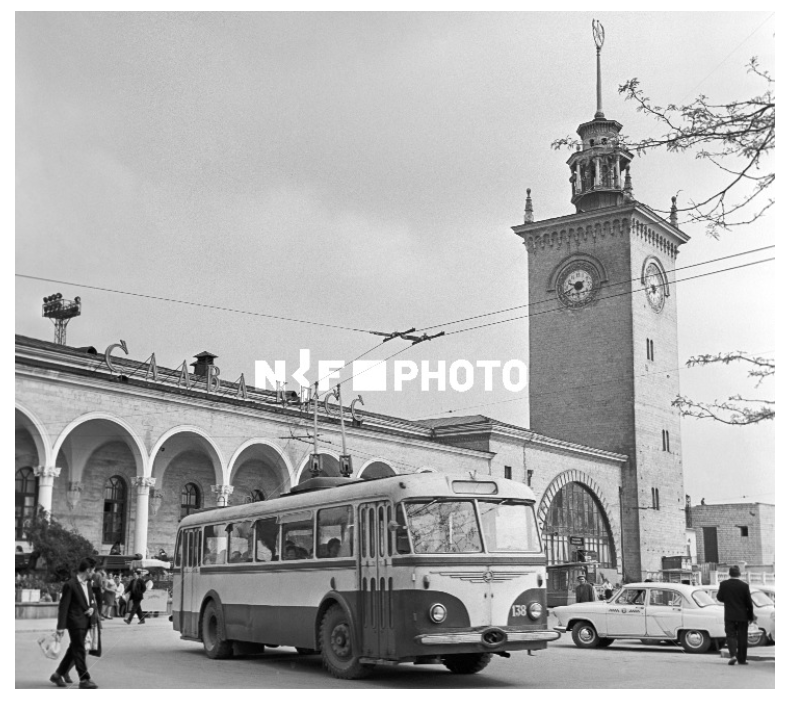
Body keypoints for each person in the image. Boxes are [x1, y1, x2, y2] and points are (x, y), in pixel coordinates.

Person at [50, 557, 99, 689]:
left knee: (73, 650)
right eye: (93, 570)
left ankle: (58, 674)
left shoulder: (88, 584)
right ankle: (84, 679)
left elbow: (92, 601)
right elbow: (63, 607)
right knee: (79, 650)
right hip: (75, 623)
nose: (94, 573)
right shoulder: (70, 585)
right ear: (88, 570)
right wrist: (60, 628)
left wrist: (91, 608)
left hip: (85, 622)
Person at [717, 565, 755, 666]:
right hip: (742, 616)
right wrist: (751, 616)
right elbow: (749, 603)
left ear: (729, 573)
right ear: (739, 574)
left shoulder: (724, 584)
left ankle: (733, 655)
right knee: (742, 637)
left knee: (731, 635)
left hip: (729, 615)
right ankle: (742, 659)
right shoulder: (744, 586)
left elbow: (719, 598)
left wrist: (728, 599)